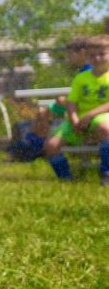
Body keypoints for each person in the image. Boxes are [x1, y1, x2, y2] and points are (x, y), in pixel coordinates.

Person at [42, 34, 109, 184]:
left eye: (102, 54)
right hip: (78, 118)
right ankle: (67, 179)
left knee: (107, 129)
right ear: (87, 56)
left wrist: (90, 115)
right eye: (92, 55)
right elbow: (72, 101)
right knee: (50, 145)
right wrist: (73, 119)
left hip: (103, 116)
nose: (97, 58)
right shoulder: (81, 77)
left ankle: (106, 174)